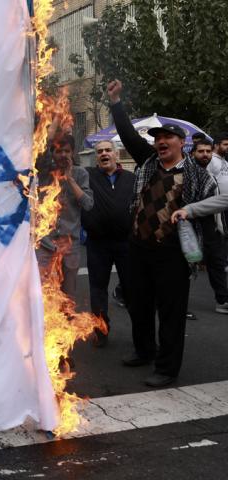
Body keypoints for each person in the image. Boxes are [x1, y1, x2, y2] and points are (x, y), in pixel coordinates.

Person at [107, 79, 216, 388]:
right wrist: (116, 102)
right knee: (138, 304)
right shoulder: (148, 163)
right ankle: (144, 351)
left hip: (173, 253)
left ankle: (167, 368)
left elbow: (207, 217)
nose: (161, 142)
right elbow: (128, 136)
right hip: (139, 247)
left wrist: (205, 253)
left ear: (182, 143)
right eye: (157, 138)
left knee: (171, 312)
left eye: (168, 137)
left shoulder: (198, 176)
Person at [82, 140, 135, 346]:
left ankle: (141, 336)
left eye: (108, 150)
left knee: (133, 290)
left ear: (116, 155)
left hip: (126, 244)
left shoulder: (131, 178)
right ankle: (101, 331)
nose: (104, 154)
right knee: (97, 290)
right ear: (96, 157)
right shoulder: (88, 176)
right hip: (97, 244)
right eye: (99, 151)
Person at [171, 139, 228, 314]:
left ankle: (222, 300)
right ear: (192, 153)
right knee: (183, 266)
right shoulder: (186, 174)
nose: (205, 155)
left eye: (208, 151)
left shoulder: (211, 174)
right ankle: (177, 306)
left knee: (216, 262)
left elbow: (219, 201)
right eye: (201, 151)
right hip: (187, 225)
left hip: (210, 224)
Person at [36, 133, 94, 300]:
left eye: (67, 151)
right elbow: (41, 146)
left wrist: (70, 179)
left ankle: (68, 324)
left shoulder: (81, 174)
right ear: (53, 153)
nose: (63, 155)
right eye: (59, 151)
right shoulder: (44, 173)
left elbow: (88, 204)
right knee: (44, 294)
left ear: (73, 153)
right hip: (45, 245)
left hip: (70, 246)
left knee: (68, 296)